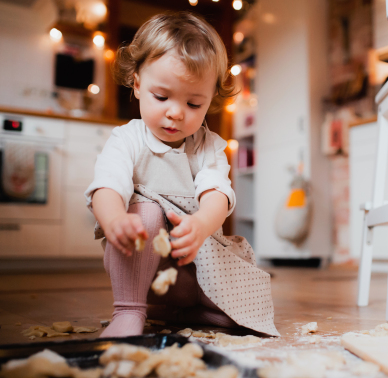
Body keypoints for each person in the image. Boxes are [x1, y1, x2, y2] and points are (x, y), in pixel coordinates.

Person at [85, 12, 279, 338]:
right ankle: (129, 310)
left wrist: (202, 225)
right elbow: (107, 185)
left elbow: (217, 192)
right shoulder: (127, 139)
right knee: (144, 212)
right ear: (136, 84)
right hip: (142, 265)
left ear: (209, 102)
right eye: (162, 97)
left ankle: (181, 310)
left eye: (193, 103)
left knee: (247, 309)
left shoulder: (208, 145)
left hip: (193, 264)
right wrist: (115, 218)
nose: (176, 112)